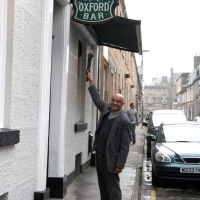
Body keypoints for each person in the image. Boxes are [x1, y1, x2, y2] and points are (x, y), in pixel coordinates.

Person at [86, 71, 131, 200]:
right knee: (102, 184)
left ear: (122, 104)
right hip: (100, 154)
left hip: (112, 158)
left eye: (118, 101)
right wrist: (91, 80)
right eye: (113, 100)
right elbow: (97, 98)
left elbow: (124, 146)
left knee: (112, 187)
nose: (115, 103)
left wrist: (120, 164)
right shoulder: (106, 109)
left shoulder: (124, 121)